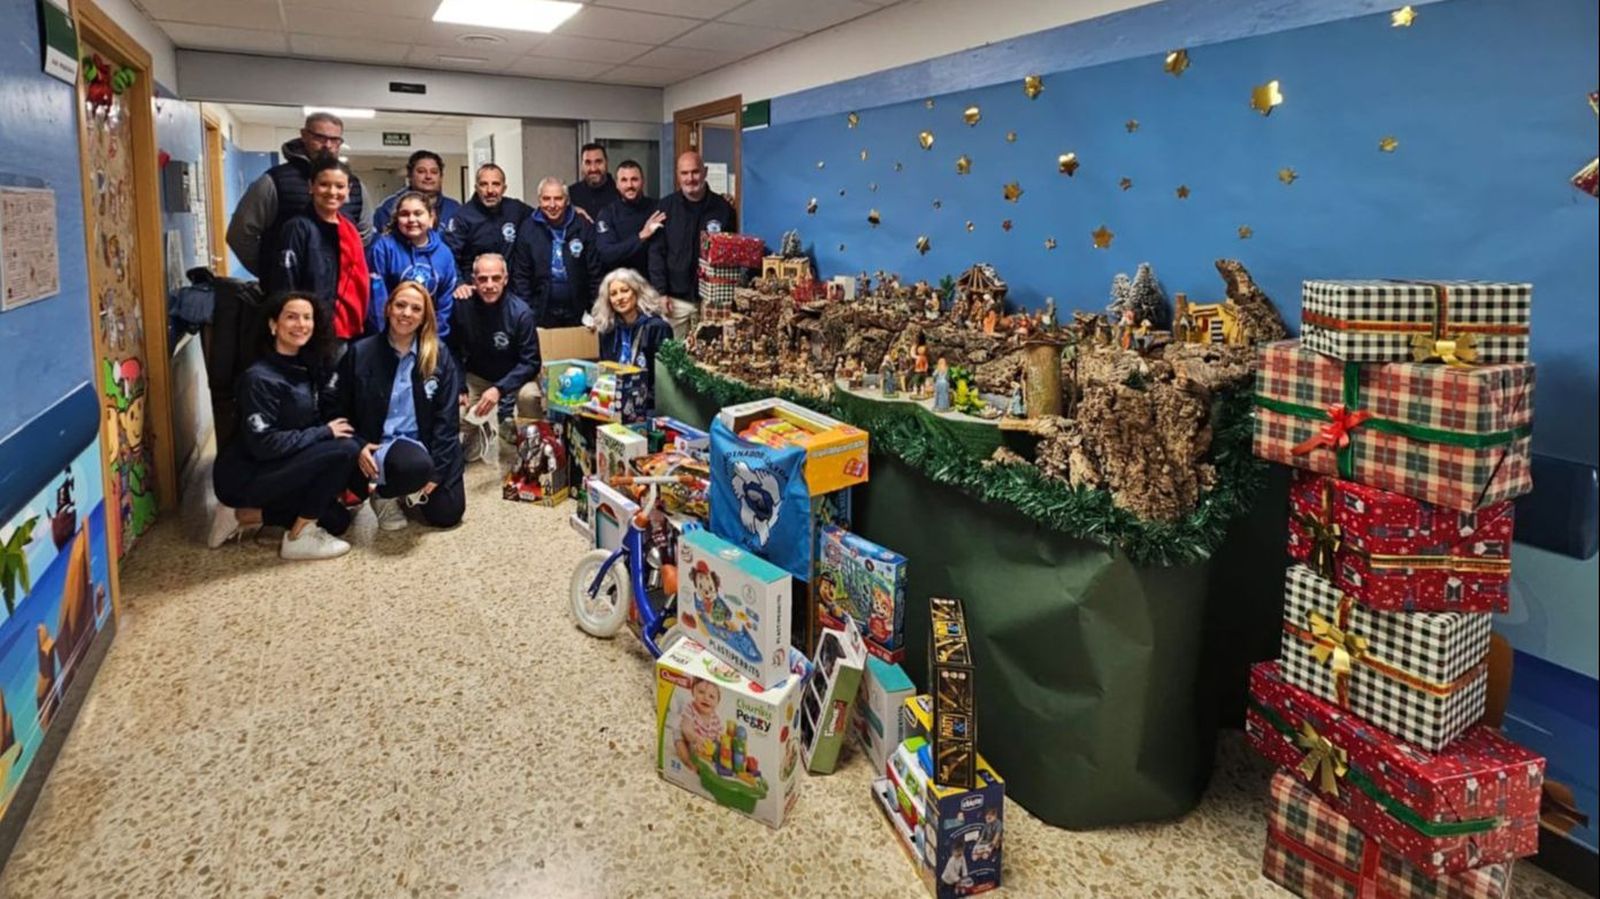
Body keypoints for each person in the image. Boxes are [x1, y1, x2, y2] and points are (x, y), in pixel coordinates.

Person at [209, 292, 362, 561]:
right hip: (245, 475)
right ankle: (298, 539)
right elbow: (264, 445)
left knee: (337, 519)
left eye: (307, 318)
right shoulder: (258, 378)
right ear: (273, 325)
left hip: (281, 464)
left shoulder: (306, 367)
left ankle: (240, 516)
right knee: (344, 449)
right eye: (291, 317)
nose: (301, 324)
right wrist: (324, 433)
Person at [335, 281, 466, 530]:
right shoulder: (360, 353)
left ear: (424, 317)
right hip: (381, 446)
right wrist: (357, 445)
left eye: (416, 309)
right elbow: (339, 409)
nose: (406, 313)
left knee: (447, 513)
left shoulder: (438, 354)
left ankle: (408, 483)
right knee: (414, 465)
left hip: (426, 444)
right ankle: (383, 495)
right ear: (388, 308)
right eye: (400, 305)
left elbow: (447, 420)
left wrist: (437, 472)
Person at [226, 111, 373, 277]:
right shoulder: (274, 182)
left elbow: (364, 236)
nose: (327, 145)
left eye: (334, 140)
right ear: (304, 135)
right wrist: (271, 273)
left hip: (339, 287)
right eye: (320, 138)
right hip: (287, 288)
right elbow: (240, 234)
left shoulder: (355, 186)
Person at [259, 157, 370, 343]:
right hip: (307, 332)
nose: (332, 192)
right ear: (311, 186)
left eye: (340, 186)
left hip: (345, 329)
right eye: (324, 184)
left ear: (348, 190)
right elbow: (286, 285)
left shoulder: (349, 228)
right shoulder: (297, 228)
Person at [448, 253, 541, 460]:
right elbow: (452, 350)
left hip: (515, 377)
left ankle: (533, 447)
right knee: (456, 412)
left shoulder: (521, 313)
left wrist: (500, 389)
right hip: (477, 376)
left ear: (505, 279)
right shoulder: (461, 306)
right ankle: (480, 435)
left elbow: (531, 362)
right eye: (483, 279)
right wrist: (460, 385)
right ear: (474, 280)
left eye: (496, 278)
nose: (489, 285)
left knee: (530, 396)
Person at [649, 150, 736, 340]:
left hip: (713, 302)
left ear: (705, 172)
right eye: (684, 173)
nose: (690, 178)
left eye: (695, 172)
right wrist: (660, 293)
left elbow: (732, 256)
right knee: (674, 354)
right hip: (675, 302)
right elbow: (656, 253)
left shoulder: (723, 209)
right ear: (678, 175)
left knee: (711, 353)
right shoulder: (665, 207)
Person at [509, 177, 600, 328]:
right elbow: (521, 276)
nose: (552, 205)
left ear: (567, 201)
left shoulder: (583, 226)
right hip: (541, 313)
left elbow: (594, 272)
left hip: (580, 312)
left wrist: (594, 310)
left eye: (558, 198)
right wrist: (528, 314)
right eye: (546, 199)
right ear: (539, 200)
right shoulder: (527, 229)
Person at [366, 191, 458, 338]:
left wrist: (436, 337)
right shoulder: (383, 248)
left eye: (418, 213)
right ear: (397, 219)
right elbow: (377, 298)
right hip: (390, 333)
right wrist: (384, 337)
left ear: (431, 218)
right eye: (404, 214)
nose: (411, 219)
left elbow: (445, 302)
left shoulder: (444, 254)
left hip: (429, 334)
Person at [444, 164, 532, 299]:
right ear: (476, 188)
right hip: (474, 291)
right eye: (484, 184)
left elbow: (542, 218)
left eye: (496, 184)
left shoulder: (516, 209)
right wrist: (459, 283)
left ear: (504, 188)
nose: (490, 190)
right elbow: (449, 255)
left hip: (510, 292)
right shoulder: (462, 216)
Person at [591, 267, 672, 404]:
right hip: (613, 401)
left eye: (625, 290)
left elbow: (663, 381)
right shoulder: (607, 330)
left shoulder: (657, 327)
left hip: (649, 403)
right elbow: (605, 373)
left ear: (636, 292)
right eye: (613, 294)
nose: (619, 298)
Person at [595, 159, 665, 279]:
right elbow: (607, 254)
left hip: (651, 283)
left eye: (634, 179)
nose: (629, 185)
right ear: (617, 184)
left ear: (642, 181)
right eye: (624, 180)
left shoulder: (657, 209)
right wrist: (641, 236)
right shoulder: (607, 214)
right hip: (620, 283)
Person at [371, 150, 461, 235]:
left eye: (434, 172)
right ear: (410, 176)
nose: (428, 176)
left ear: (441, 177)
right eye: (421, 171)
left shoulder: (454, 209)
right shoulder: (389, 208)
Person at [568, 143, 620, 221]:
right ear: (582, 165)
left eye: (598, 162)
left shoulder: (620, 193)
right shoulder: (571, 194)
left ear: (606, 162)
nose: (593, 169)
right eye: (588, 163)